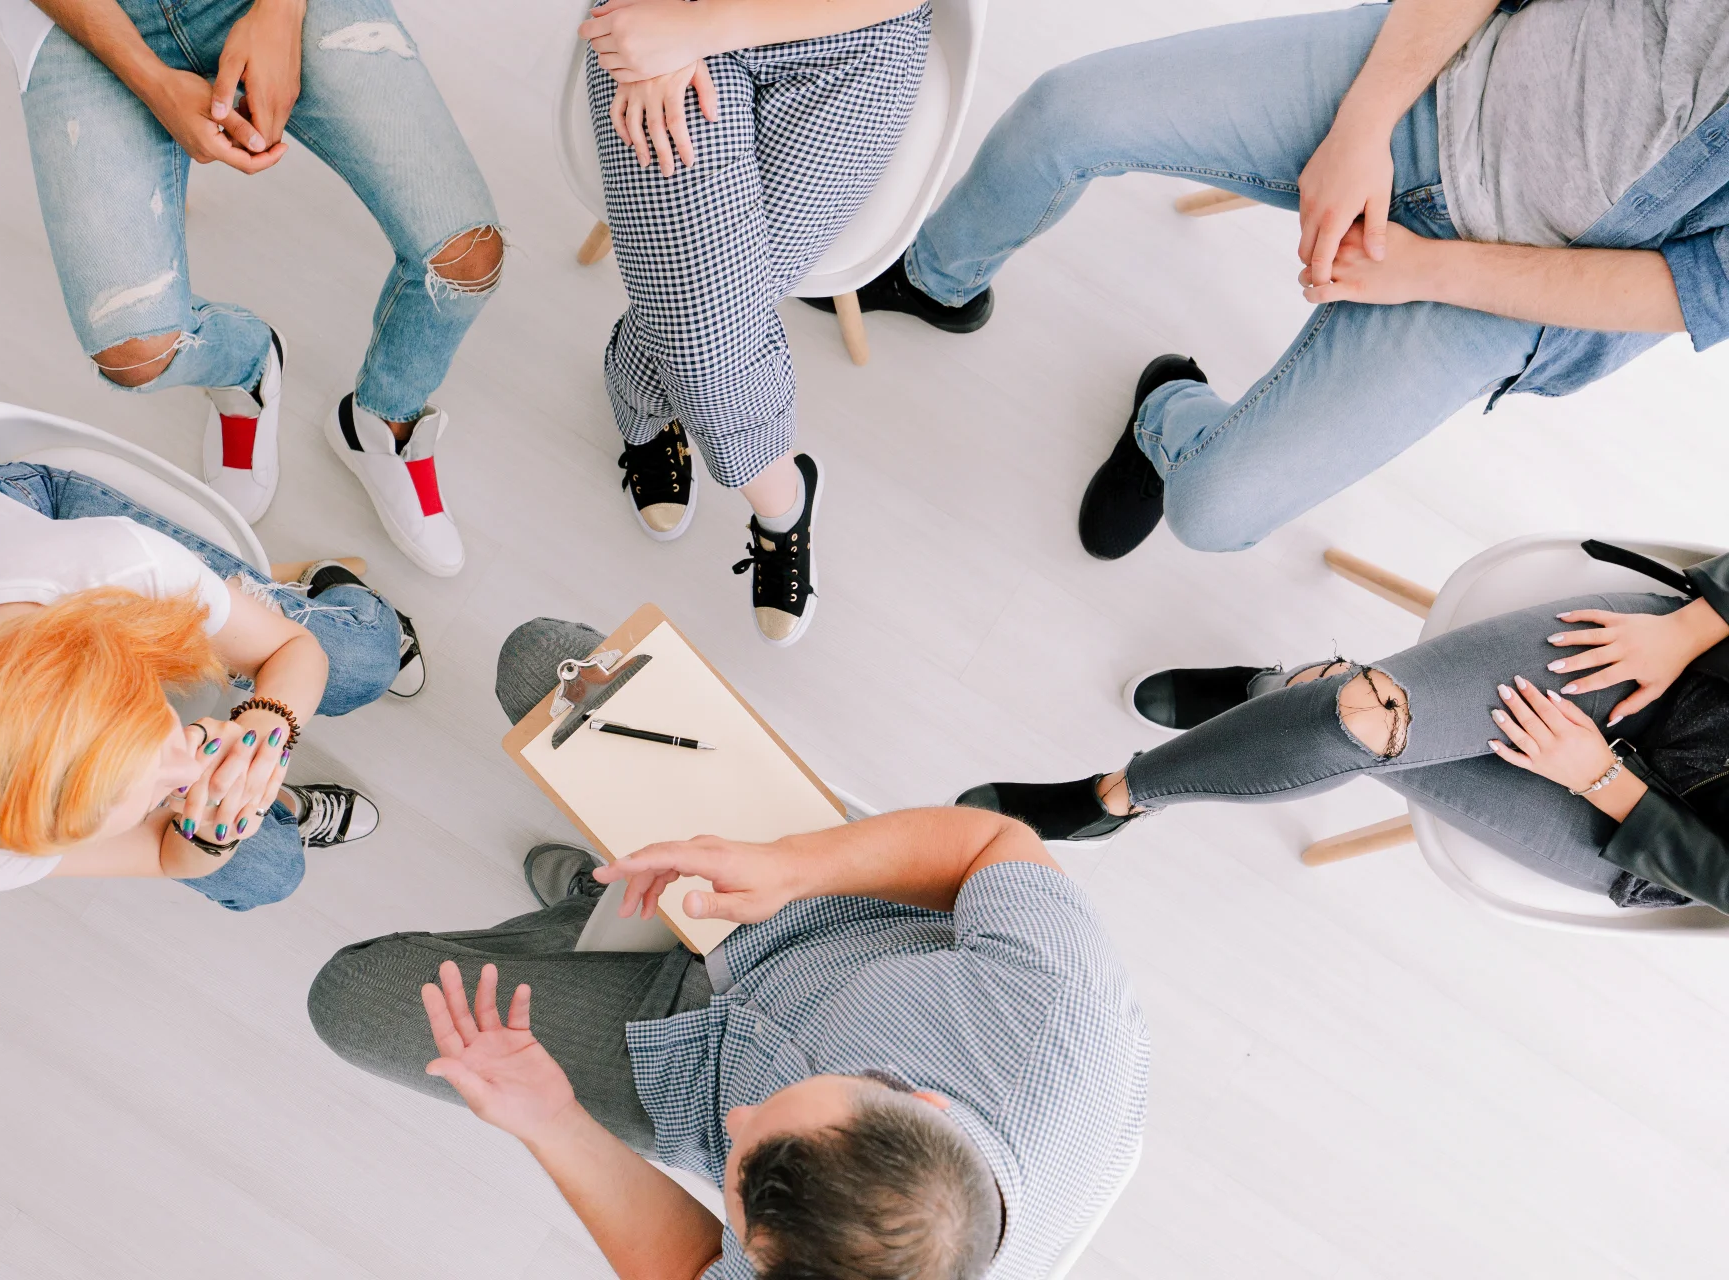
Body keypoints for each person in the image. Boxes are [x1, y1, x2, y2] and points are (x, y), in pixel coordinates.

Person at [305, 618, 1148, 1279]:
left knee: (351, 1002)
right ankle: (599, 904)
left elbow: (691, 1264)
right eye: (777, 1115)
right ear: (923, 1107)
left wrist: (554, 1122)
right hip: (814, 904)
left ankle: (596, 904)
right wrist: (792, 864)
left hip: (682, 1070)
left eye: (734, 1173)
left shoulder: (764, 1179)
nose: (739, 1120)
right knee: (544, 667)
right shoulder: (1064, 1021)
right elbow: (988, 846)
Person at [831, 0, 1729, 560]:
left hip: (1505, 292)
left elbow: (1685, 290)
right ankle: (932, 280)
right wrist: (1362, 124)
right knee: (1065, 115)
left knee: (1215, 512)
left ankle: (1162, 419)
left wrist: (1424, 268)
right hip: (1443, 81)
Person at [0, 0, 501, 574]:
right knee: (134, 355)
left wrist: (280, 14)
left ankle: (383, 421)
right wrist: (151, 80)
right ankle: (248, 367)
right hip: (86, 23)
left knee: (468, 257)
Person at [955, 549, 1729, 916]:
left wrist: (1603, 780)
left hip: (1646, 835)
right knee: (1361, 714)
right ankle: (1141, 781)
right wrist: (1697, 623)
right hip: (1681, 668)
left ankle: (1134, 789)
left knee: (1333, 707)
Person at [0, 462, 424, 910]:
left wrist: (269, 723)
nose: (187, 771)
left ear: (123, 667)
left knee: (359, 659)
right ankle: (269, 790)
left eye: (165, 745)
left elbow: (296, 650)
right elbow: (163, 856)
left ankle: (313, 585)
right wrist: (219, 821)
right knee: (260, 870)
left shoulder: (112, 570)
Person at [575, 0, 932, 645]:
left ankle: (639, 379)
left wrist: (704, 29)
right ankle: (782, 501)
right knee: (709, 310)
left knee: (707, 306)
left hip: (849, 32)